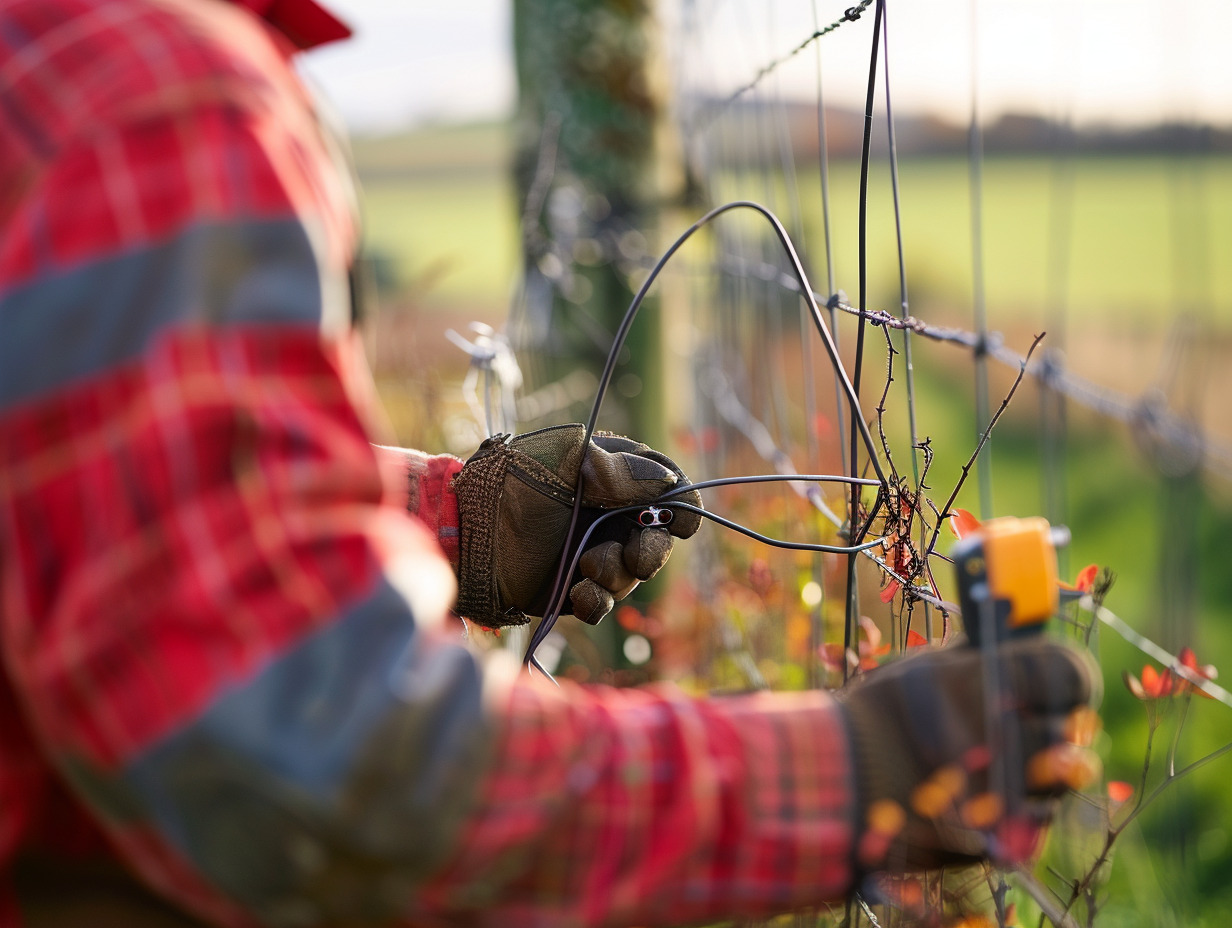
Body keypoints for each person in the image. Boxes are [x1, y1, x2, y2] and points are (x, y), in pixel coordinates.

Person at [0, 0, 1100, 925]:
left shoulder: (58, 55)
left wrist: (455, 518)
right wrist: (852, 766)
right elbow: (322, 772)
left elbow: (86, 486)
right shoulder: (152, 98)